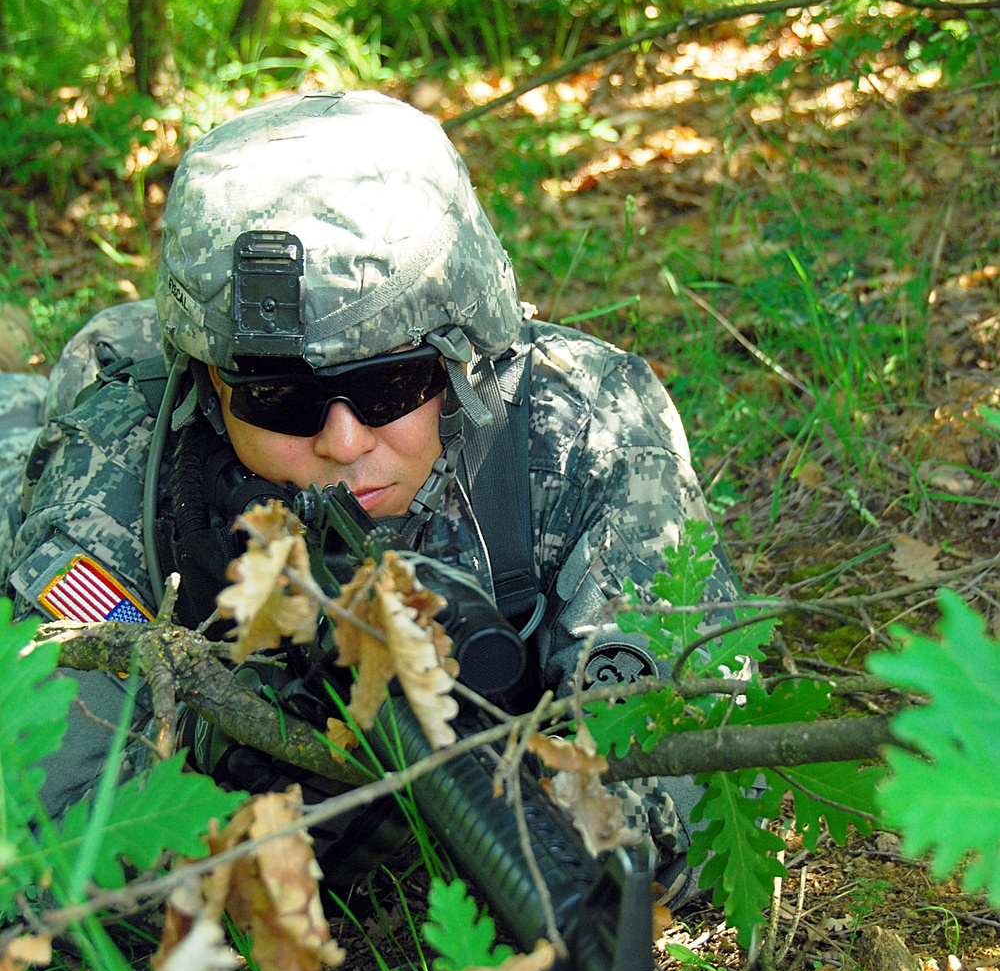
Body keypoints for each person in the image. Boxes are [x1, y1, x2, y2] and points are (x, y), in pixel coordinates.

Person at [0, 90, 740, 900]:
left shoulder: (588, 431)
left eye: (391, 383)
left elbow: (700, 776)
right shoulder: (123, 459)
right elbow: (39, 842)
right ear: (213, 389)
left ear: (464, 361)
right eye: (281, 397)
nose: (344, 443)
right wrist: (233, 765)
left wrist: (537, 823)